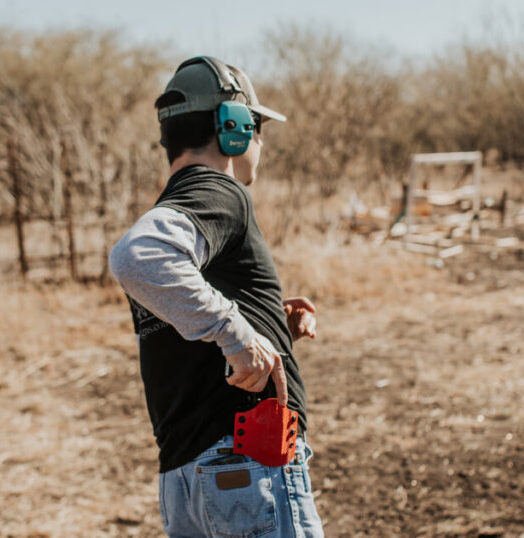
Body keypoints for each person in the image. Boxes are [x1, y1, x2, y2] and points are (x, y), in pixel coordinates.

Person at [109, 56, 324, 537]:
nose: (260, 142)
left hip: (187, 473)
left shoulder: (179, 205)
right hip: (245, 465)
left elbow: (181, 311)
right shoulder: (220, 191)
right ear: (235, 128)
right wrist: (237, 333)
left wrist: (266, 323)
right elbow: (136, 256)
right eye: (258, 127)